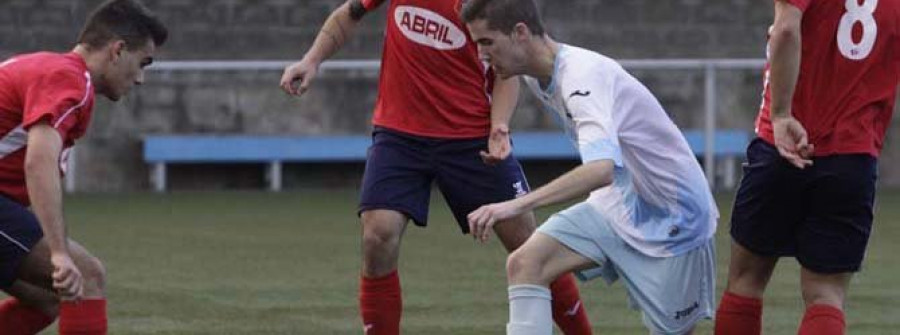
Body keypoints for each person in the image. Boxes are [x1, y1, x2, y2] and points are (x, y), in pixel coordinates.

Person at [279, 1, 593, 334]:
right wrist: (311, 60)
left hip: (471, 137)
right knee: (377, 235)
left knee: (528, 244)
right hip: (400, 135)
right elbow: (349, 13)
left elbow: (508, 66)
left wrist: (498, 126)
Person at [461, 0, 719, 334]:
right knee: (526, 263)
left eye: (486, 42)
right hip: (617, 202)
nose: (481, 55)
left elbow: (600, 169)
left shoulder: (581, 77)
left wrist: (514, 205)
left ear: (520, 33)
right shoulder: (534, 77)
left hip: (675, 218)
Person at [714, 1, 900, 334]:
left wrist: (782, 113)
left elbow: (786, 28)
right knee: (825, 293)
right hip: (852, 154)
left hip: (782, 143)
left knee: (746, 281)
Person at [0, 0, 167, 333]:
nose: (141, 79)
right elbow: (38, 162)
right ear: (117, 50)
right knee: (85, 276)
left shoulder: (52, 69)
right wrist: (59, 253)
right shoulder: (70, 80)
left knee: (47, 298)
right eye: (142, 63)